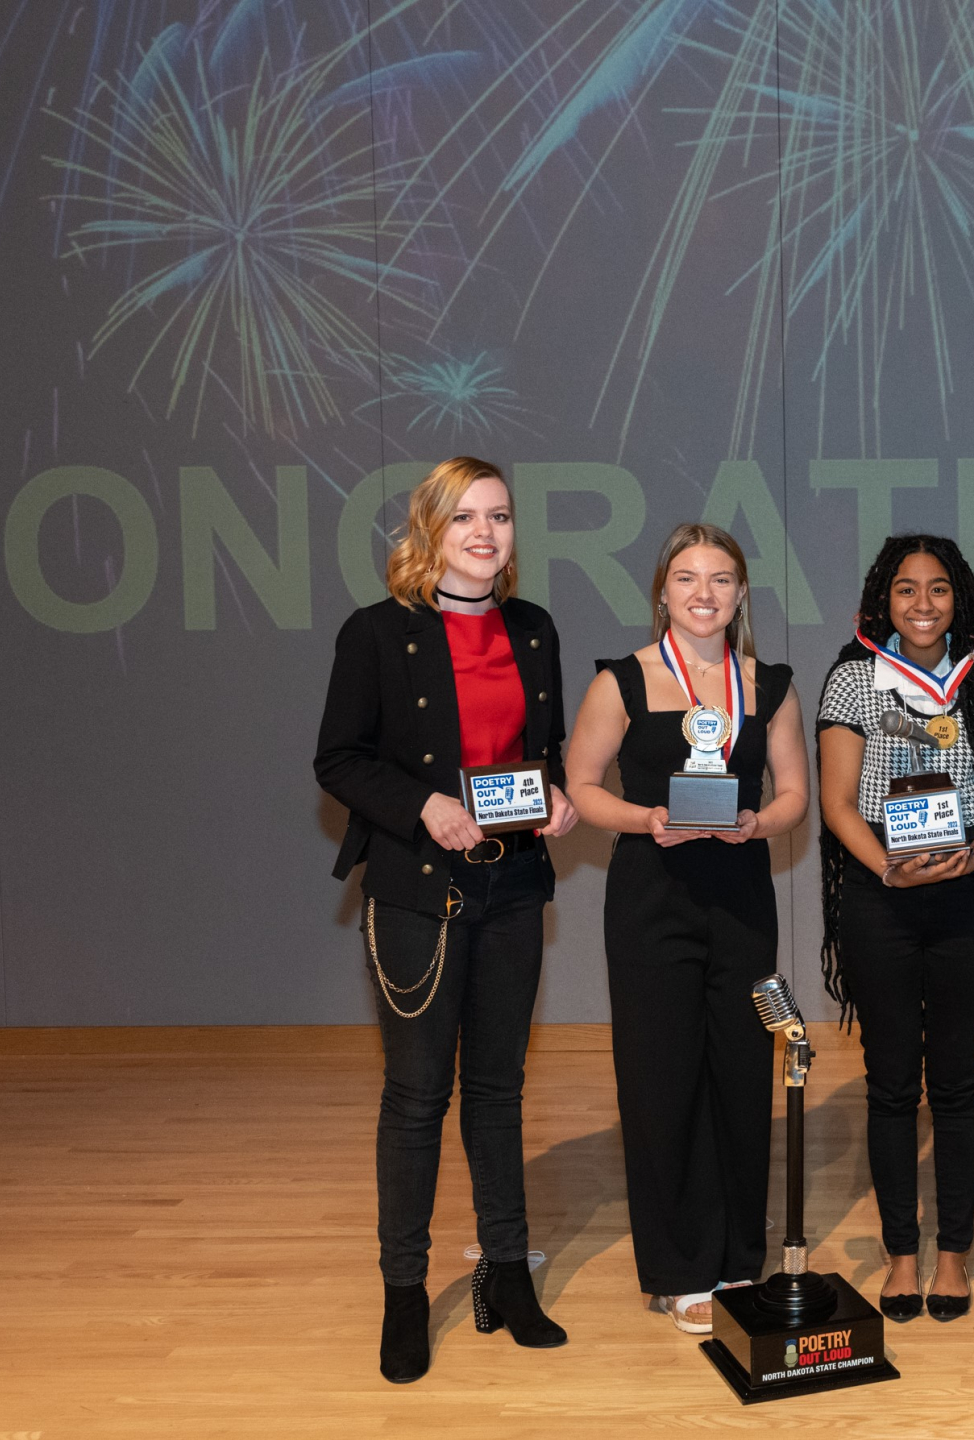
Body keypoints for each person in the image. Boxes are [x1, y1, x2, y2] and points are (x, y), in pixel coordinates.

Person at [314, 456, 580, 1384]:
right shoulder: (377, 634)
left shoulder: (534, 629)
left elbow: (541, 752)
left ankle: (506, 1275)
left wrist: (558, 795)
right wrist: (422, 806)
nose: (484, 534)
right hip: (419, 893)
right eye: (463, 517)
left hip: (513, 890)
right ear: (427, 530)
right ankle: (402, 1292)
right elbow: (339, 760)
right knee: (418, 1097)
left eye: (499, 517)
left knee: (499, 1091)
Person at [565, 523, 808, 1335]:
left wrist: (756, 825)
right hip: (649, 901)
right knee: (660, 1081)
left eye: (722, 578)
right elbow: (580, 786)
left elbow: (794, 797)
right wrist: (645, 819)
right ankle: (675, 1270)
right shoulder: (621, 682)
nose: (703, 593)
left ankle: (739, 1259)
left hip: (740, 900)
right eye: (686, 578)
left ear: (741, 593)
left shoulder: (768, 684)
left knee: (741, 1076)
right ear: (662, 593)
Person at [814, 535, 974, 1324]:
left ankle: (952, 1257)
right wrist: (885, 868)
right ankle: (900, 1255)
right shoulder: (852, 679)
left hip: (964, 899)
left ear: (960, 599)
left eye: (937, 589)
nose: (921, 604)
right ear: (884, 599)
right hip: (880, 896)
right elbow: (836, 800)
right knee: (889, 1086)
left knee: (953, 1084)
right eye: (905, 590)